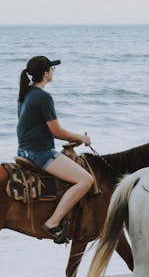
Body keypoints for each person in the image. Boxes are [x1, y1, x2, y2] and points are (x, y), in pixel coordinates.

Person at [16, 55, 93, 244]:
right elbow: (56, 131)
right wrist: (81, 137)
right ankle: (53, 221)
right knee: (85, 180)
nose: (53, 72)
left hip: (24, 149)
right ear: (45, 73)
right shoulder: (43, 97)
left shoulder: (26, 94)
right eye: (52, 69)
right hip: (39, 152)